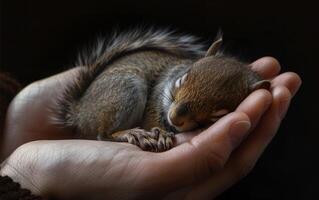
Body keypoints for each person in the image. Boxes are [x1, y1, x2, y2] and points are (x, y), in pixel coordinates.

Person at [0, 57, 301, 200]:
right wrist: (20, 178)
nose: (176, 115)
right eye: (182, 84)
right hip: (107, 102)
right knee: (128, 87)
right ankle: (114, 133)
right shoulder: (167, 86)